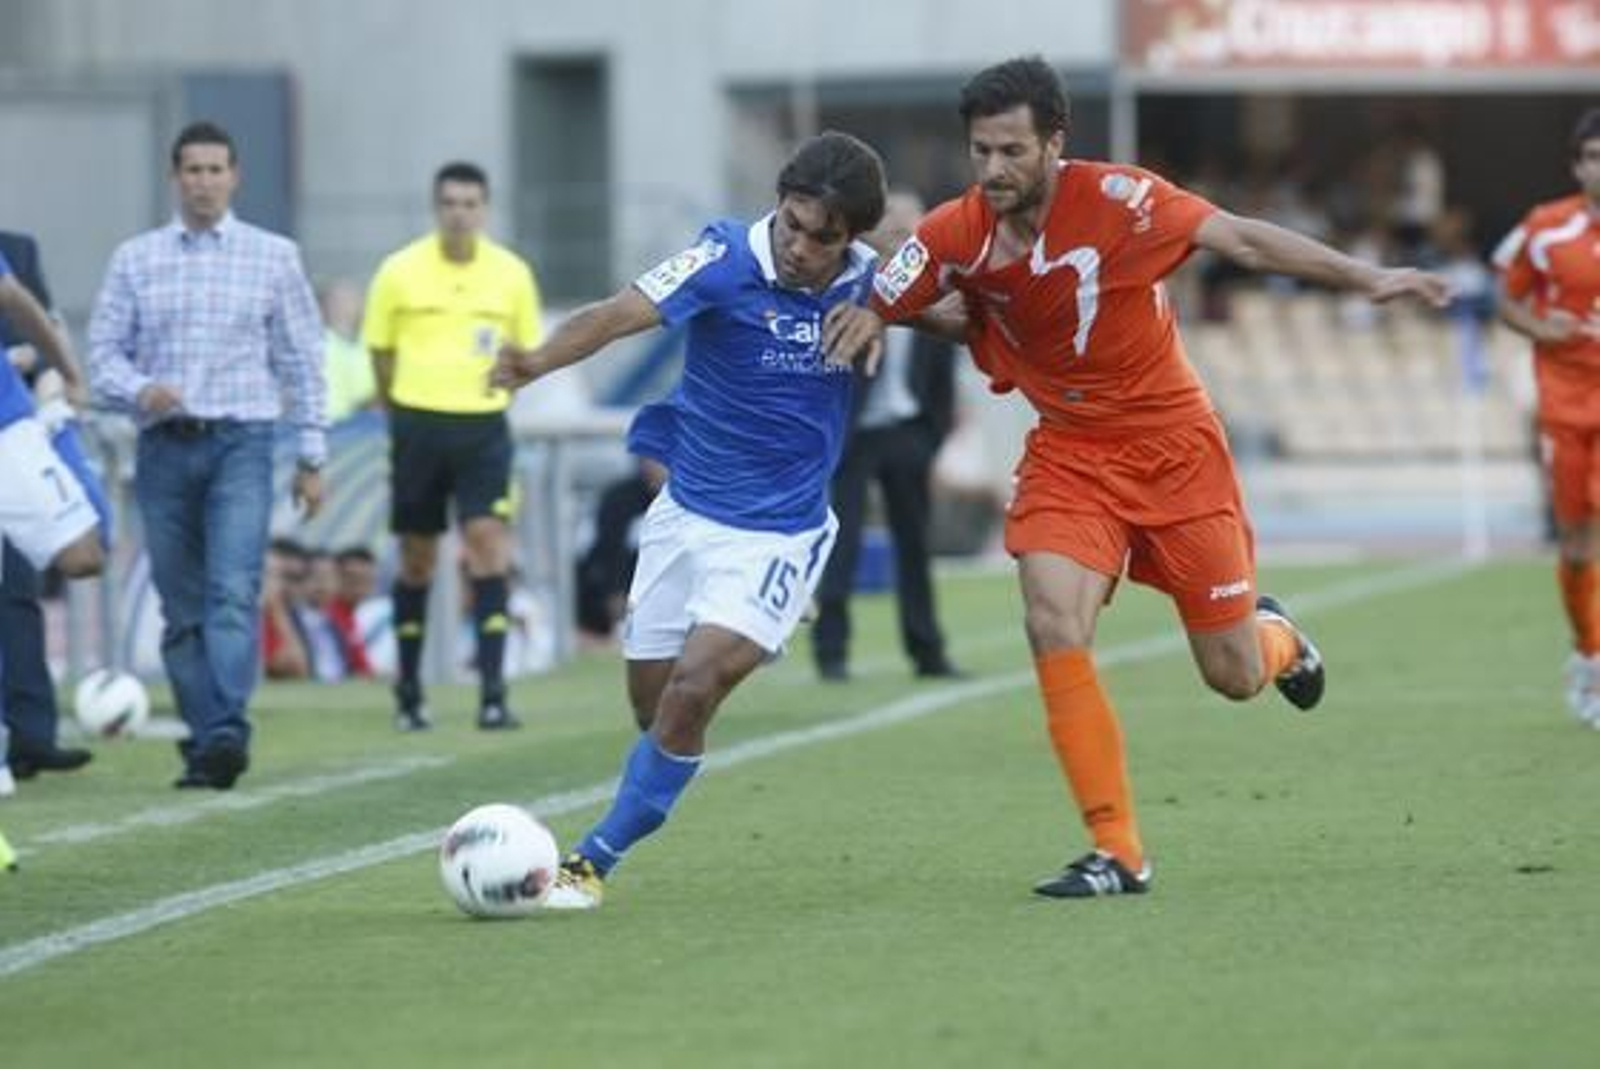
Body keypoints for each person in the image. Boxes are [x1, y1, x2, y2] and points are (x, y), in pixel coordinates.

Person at [829, 57, 1449, 899]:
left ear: (1056, 142)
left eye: (1012, 150)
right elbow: (891, 295)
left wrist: (1367, 275)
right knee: (1052, 620)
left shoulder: (1125, 200)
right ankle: (1118, 850)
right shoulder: (953, 231)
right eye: (981, 152)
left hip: (1173, 452)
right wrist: (863, 313)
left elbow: (1242, 237)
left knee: (1231, 674)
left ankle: (1280, 639)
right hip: (1070, 452)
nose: (994, 170)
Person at [492, 130, 887, 909]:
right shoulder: (721, 260)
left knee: (695, 687)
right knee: (654, 703)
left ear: (853, 239)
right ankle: (749, 632)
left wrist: (888, 313)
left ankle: (591, 859)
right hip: (685, 516)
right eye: (792, 225)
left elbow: (960, 308)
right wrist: (537, 361)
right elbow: (616, 313)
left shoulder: (875, 281)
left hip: (781, 529)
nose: (802, 247)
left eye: (823, 238)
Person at [87, 120, 326, 790]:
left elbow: (302, 360)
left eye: (215, 169)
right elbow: (101, 354)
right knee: (179, 605)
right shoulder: (136, 259)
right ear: (175, 177)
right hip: (163, 447)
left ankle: (223, 733)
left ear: (235, 175)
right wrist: (142, 388)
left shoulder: (273, 256)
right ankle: (207, 734)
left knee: (230, 591)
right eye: (192, 169)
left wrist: (312, 455)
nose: (204, 181)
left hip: (242, 443)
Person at [363, 161, 543, 731]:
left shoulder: (511, 273)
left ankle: (493, 692)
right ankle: (409, 693)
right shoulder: (399, 271)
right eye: (449, 203)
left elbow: (527, 354)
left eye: (470, 203)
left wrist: (501, 389)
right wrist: (402, 407)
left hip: (483, 427)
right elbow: (380, 353)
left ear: (485, 209)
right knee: (417, 557)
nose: (459, 213)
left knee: (488, 545)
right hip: (416, 424)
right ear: (435, 208)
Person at [812, 190, 961, 683]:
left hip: (907, 432)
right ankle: (831, 653)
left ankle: (928, 652)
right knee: (843, 538)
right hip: (854, 433)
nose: (901, 225)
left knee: (915, 544)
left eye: (911, 217)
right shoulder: (851, 283)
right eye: (890, 217)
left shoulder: (938, 287)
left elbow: (943, 372)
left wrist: (931, 436)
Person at [1492, 108, 1600, 724]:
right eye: (1591, 156)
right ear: (1576, 165)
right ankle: (1587, 655)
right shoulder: (1543, 229)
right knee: (1578, 543)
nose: (1599, 167)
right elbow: (1505, 294)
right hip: (1565, 408)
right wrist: (1541, 326)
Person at [0, 246, 106, 798]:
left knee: (84, 555)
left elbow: (17, 300)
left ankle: (58, 430)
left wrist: (64, 374)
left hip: (7, 428)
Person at [575, 456, 667, 639]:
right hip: (620, 599)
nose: (652, 466)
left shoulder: (684, 502)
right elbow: (606, 550)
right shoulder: (619, 497)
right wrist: (615, 594)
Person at [318, 278, 377, 423]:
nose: (344, 307)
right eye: (336, 302)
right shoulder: (313, 343)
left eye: (351, 301)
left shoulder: (370, 341)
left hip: (363, 420)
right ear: (322, 307)